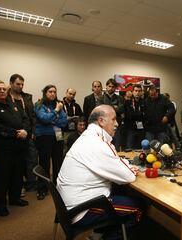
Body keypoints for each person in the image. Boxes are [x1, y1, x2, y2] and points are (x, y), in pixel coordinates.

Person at [57, 105, 142, 240]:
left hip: (72, 204)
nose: (117, 124)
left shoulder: (89, 137)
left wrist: (125, 166)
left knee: (120, 190)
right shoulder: (97, 142)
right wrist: (130, 168)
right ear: (101, 121)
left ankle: (100, 233)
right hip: (82, 210)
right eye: (113, 120)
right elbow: (128, 176)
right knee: (138, 207)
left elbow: (113, 161)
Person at [0, 80, 30, 216]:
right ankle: (0, 203)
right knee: (2, 176)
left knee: (17, 174)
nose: (1, 91)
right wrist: (17, 133)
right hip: (2, 149)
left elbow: (24, 117)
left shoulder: (11, 104)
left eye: (2, 88)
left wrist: (25, 129)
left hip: (19, 146)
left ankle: (14, 198)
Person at [35, 84, 67, 200]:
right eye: (50, 91)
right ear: (45, 93)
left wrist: (52, 119)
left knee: (58, 162)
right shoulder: (39, 105)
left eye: (54, 91)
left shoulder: (59, 104)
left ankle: (57, 187)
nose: (52, 93)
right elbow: (43, 118)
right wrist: (56, 112)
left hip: (58, 137)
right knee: (44, 163)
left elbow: (64, 122)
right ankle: (42, 188)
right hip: (44, 137)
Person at [8, 73, 37, 193]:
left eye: (22, 84)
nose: (20, 86)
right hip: (13, 135)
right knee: (16, 163)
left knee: (32, 159)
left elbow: (32, 116)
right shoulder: (5, 97)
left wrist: (33, 131)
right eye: (18, 84)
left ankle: (30, 183)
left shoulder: (26, 97)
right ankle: (17, 186)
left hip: (28, 134)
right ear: (11, 83)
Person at [101, 78, 124, 151]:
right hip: (104, 126)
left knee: (116, 149)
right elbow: (100, 111)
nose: (111, 88)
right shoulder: (101, 98)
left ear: (115, 88)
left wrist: (108, 107)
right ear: (106, 87)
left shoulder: (119, 98)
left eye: (113, 87)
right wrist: (114, 107)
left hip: (116, 126)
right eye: (109, 86)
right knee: (105, 148)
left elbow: (121, 110)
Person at [62, 88, 83, 155]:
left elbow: (81, 117)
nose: (71, 96)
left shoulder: (76, 106)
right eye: (70, 94)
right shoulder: (60, 104)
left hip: (74, 131)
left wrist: (77, 119)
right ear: (66, 93)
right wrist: (67, 119)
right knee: (64, 150)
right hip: (63, 131)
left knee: (74, 150)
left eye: (73, 95)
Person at [124, 84, 145, 150]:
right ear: (132, 92)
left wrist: (136, 114)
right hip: (130, 128)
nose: (137, 93)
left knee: (140, 149)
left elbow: (145, 116)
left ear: (142, 92)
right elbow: (128, 115)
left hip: (141, 129)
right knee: (129, 148)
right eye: (136, 91)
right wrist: (139, 114)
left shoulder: (144, 103)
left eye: (139, 91)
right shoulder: (127, 102)